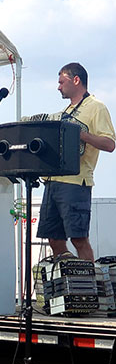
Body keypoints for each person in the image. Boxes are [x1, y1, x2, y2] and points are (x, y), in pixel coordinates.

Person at [36, 63, 115, 261]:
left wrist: (80, 135)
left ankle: (88, 288)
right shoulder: (66, 110)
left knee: (79, 239)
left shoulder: (96, 107)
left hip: (76, 182)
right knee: (54, 238)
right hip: (53, 181)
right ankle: (70, 281)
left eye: (62, 82)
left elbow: (109, 143)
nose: (58, 87)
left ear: (76, 80)